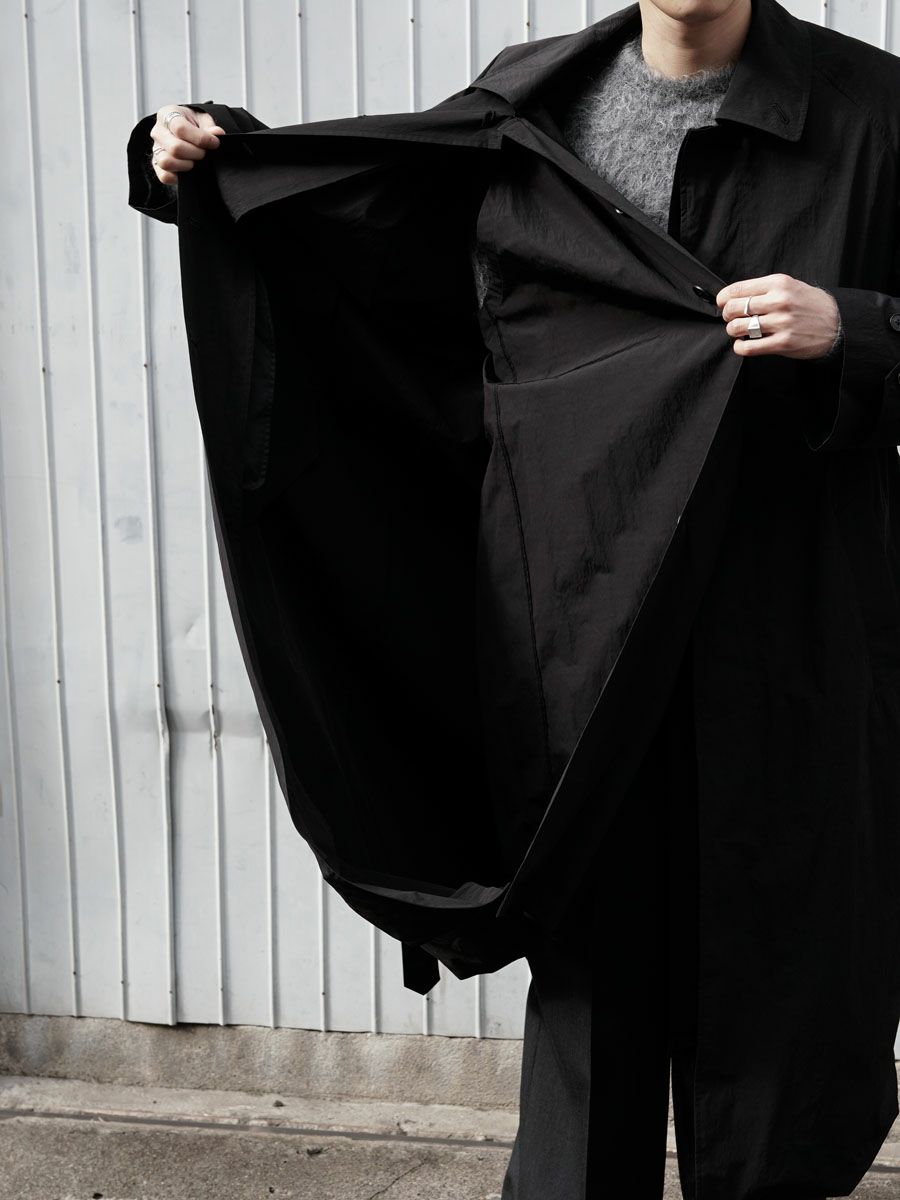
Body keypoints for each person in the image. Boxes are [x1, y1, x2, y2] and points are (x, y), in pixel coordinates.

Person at [135, 1, 900, 1197]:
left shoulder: (873, 113)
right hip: (586, 635)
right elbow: (378, 232)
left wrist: (853, 326)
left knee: (776, 998)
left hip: (783, 637)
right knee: (590, 1006)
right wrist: (215, 160)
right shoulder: (535, 100)